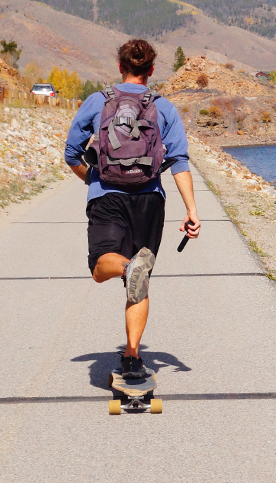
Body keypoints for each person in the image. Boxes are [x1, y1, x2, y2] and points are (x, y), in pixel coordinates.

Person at [64, 39, 200, 378]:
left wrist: (91, 178)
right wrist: (192, 210)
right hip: (150, 199)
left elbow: (71, 154)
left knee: (100, 266)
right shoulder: (163, 106)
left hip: (107, 195)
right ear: (151, 70)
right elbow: (180, 160)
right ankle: (133, 355)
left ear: (120, 66)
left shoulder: (98, 101)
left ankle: (125, 268)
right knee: (141, 281)